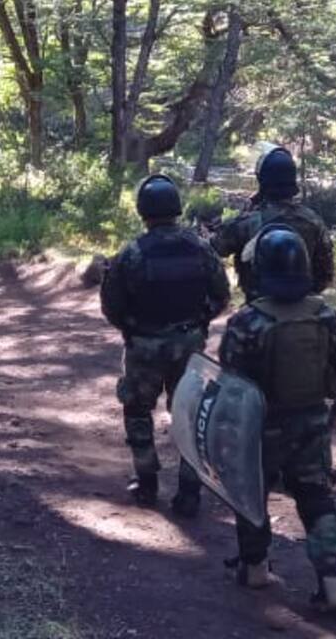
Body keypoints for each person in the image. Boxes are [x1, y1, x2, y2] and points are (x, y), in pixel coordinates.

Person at [219, 224, 336, 612]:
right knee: (316, 496)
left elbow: (230, 384)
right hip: (312, 423)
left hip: (260, 426)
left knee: (251, 493)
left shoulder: (246, 323)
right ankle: (334, 579)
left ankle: (255, 566)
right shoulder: (328, 317)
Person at [101, 174, 230, 517]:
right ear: (176, 207)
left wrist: (132, 328)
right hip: (189, 344)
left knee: (138, 412)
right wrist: (199, 322)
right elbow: (221, 295)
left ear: (143, 210)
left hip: (144, 345)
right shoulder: (200, 248)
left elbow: (111, 306)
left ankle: (147, 484)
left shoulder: (131, 254)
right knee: (188, 415)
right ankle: (190, 491)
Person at [212, 146, 333, 300]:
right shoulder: (313, 220)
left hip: (258, 310)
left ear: (262, 180)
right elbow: (325, 273)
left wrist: (243, 213)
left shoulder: (247, 222)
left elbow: (216, 247)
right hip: (305, 307)